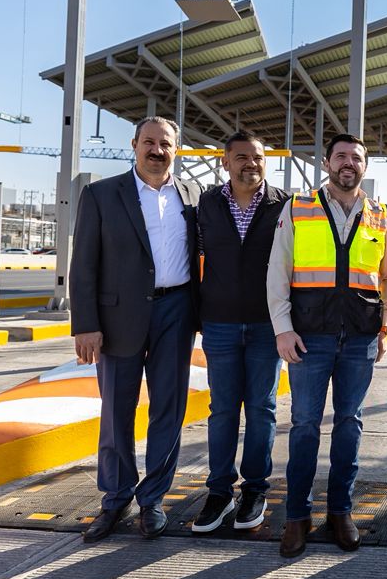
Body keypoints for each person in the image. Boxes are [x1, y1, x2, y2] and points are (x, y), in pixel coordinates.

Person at [71, 116, 202, 543]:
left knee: (169, 408)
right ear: (134, 144)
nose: (157, 150)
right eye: (149, 142)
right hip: (117, 319)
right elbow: (84, 264)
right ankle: (114, 498)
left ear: (176, 150)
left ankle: (153, 501)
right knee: (116, 412)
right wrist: (86, 325)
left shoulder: (193, 195)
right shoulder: (101, 194)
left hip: (176, 311)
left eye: (166, 144)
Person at [267, 133, 387, 558]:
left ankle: (340, 510)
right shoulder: (298, 208)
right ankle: (296, 516)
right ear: (326, 162)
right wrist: (283, 329)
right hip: (309, 337)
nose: (348, 163)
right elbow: (277, 271)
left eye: (356, 158)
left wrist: (384, 326)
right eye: (341, 156)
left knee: (350, 423)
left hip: (359, 338)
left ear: (364, 167)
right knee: (303, 426)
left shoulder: (380, 215)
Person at [193, 129, 290, 535]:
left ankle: (254, 489)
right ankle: (219, 490)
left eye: (257, 157)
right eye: (242, 157)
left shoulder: (284, 205)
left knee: (263, 409)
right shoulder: (207, 203)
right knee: (223, 410)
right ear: (225, 161)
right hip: (219, 323)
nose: (250, 164)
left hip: (267, 324)